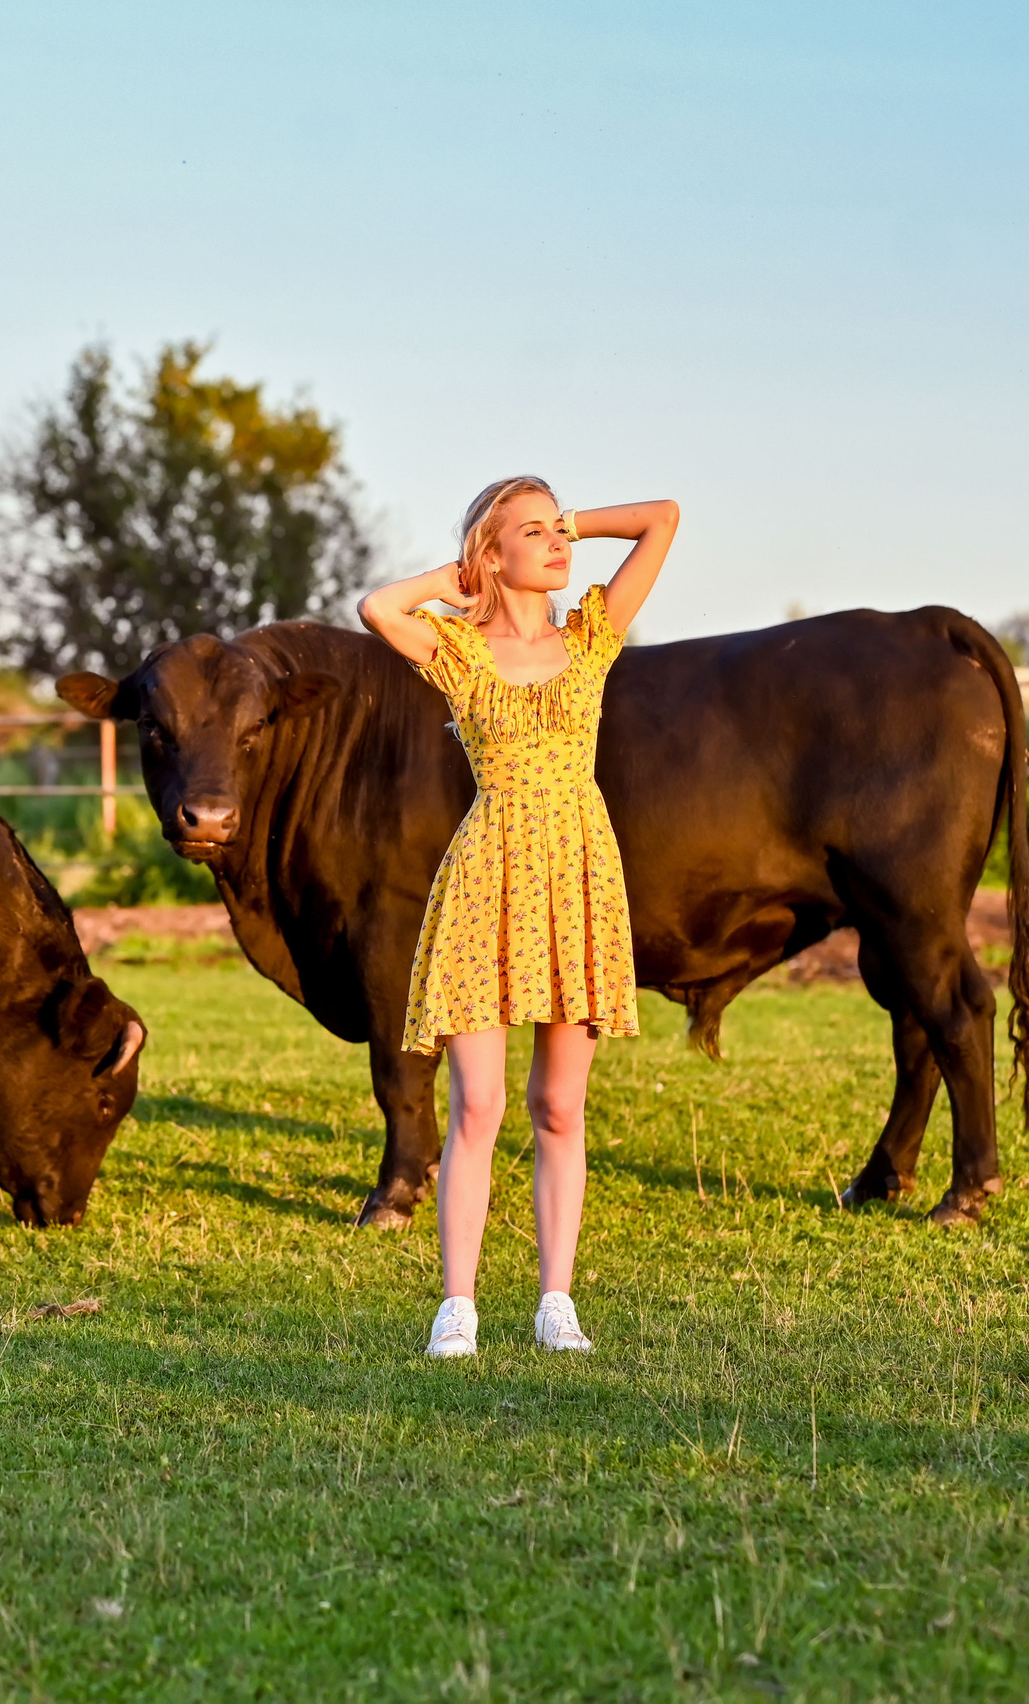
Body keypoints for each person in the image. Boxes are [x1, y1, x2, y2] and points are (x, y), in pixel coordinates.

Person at [357, 478, 678, 1357]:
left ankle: (555, 1303)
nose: (558, 541)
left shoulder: (593, 635)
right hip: (486, 881)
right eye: (532, 532)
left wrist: (575, 521)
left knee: (560, 1107)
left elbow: (661, 520)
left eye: (557, 527)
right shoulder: (458, 650)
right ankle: (456, 1308)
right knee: (479, 1107)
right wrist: (453, 579)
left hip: (578, 878)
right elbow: (378, 607)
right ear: (492, 556)